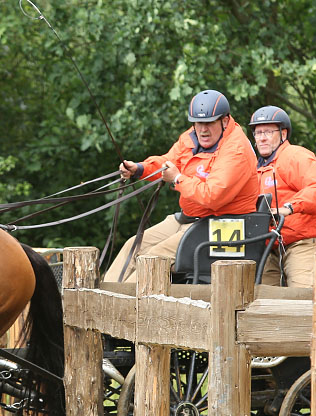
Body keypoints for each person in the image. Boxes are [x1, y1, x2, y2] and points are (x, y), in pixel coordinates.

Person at [102, 89, 258, 283]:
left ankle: (123, 309)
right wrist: (140, 169)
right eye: (198, 123)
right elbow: (169, 161)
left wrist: (177, 179)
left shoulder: (236, 149)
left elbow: (213, 196)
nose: (203, 130)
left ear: (224, 121)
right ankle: (103, 297)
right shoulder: (192, 137)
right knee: (134, 245)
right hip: (190, 218)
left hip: (220, 224)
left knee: (153, 258)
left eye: (209, 123)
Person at [249, 106, 316, 288]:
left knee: (302, 299)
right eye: (258, 132)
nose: (262, 137)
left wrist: (289, 207)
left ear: (283, 134)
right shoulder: (255, 169)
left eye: (268, 132)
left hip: (302, 243)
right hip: (270, 249)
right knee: (258, 299)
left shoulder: (295, 156)